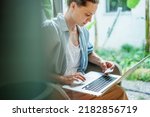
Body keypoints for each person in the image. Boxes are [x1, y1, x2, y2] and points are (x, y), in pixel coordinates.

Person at [42, 0, 128, 100]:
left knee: (117, 90)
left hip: (79, 86)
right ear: (73, 6)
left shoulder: (83, 31)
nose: (90, 20)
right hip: (59, 91)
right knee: (118, 93)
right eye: (87, 14)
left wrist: (101, 62)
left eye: (92, 15)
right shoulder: (50, 30)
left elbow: (88, 52)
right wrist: (63, 79)